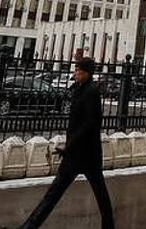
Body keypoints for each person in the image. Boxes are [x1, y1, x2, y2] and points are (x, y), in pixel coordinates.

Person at [17, 57, 114, 229]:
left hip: (86, 153)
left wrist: (70, 145)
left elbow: (90, 123)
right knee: (54, 193)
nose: (75, 73)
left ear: (87, 73)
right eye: (75, 70)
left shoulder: (91, 92)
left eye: (79, 70)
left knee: (99, 195)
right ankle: (30, 226)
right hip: (76, 153)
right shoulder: (80, 89)